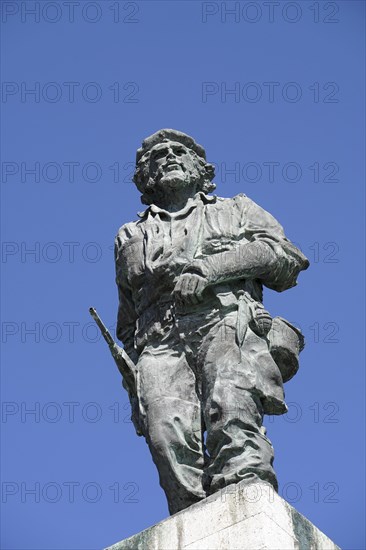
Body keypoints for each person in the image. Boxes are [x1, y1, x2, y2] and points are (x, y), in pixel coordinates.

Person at [114, 129, 309, 514]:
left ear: (201, 169)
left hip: (224, 323)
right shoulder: (129, 236)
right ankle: (192, 517)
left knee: (232, 411)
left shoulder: (235, 209)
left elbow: (285, 260)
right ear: (145, 177)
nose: (168, 156)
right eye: (157, 155)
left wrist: (210, 268)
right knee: (164, 433)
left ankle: (246, 504)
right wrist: (131, 363)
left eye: (178, 151)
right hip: (159, 341)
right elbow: (127, 312)